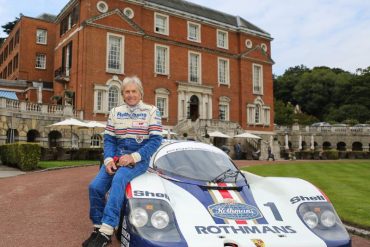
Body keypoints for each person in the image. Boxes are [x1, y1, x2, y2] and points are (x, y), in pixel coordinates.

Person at [83, 76, 163, 247]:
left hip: (138, 158)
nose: (130, 95)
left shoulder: (152, 111)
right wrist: (109, 160)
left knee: (119, 179)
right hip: (117, 156)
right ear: (122, 94)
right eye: (127, 91)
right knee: (95, 187)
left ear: (140, 93)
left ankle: (106, 230)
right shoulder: (115, 112)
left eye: (134, 91)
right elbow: (110, 139)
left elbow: (155, 141)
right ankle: (98, 228)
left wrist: (133, 157)